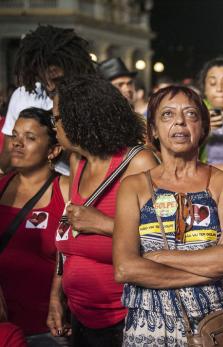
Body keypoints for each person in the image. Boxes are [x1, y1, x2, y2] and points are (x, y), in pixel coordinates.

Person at [113, 86, 223, 345]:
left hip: (213, 325)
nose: (180, 122)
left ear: (204, 127)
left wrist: (159, 257)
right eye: (167, 115)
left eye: (191, 114)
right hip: (148, 326)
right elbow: (125, 267)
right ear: (152, 129)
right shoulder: (135, 187)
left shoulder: (222, 183)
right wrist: (207, 270)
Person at [48, 75, 158, 346]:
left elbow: (163, 240)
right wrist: (56, 297)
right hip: (80, 316)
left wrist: (103, 224)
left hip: (127, 319)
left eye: (56, 119)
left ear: (80, 117)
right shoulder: (78, 162)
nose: (54, 127)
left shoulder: (139, 162)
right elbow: (69, 239)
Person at [0, 108, 69, 346]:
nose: (18, 143)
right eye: (15, 135)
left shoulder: (66, 191)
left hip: (46, 329)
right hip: (3, 329)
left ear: (54, 150)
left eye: (30, 138)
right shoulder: (1, 186)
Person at [0, 25, 95, 173]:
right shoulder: (22, 95)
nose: (50, 87)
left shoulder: (86, 99)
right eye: (44, 79)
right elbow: (8, 152)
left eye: (57, 80)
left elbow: (92, 156)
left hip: (71, 183)